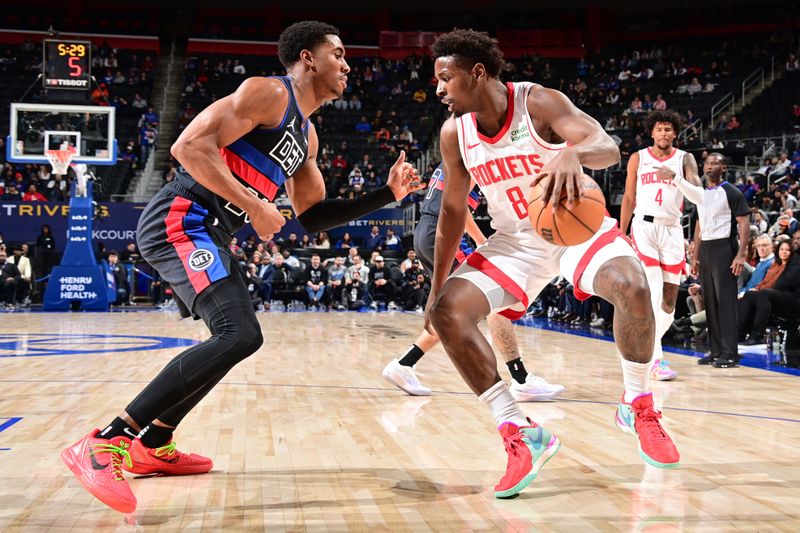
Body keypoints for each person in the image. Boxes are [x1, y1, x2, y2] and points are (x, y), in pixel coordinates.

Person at [61, 20, 422, 514]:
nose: (346, 63)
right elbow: (187, 148)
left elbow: (313, 216)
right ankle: (107, 441)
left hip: (211, 231)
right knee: (238, 333)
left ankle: (154, 443)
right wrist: (253, 202)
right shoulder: (269, 93)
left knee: (234, 337)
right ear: (308, 58)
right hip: (181, 218)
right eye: (336, 53)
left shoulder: (308, 137)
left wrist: (388, 195)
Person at [426, 29, 677, 499]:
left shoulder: (537, 103)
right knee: (447, 314)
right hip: (517, 240)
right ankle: (521, 432)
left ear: (477, 73)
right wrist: (437, 284)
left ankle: (638, 402)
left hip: (576, 227)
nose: (438, 89)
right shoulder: (453, 133)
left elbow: (606, 146)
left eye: (446, 78)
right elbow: (453, 211)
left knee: (633, 286)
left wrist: (571, 152)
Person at [382, 164, 565, 401]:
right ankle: (520, 380)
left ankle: (405, 365)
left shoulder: (451, 157)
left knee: (452, 311)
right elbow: (458, 208)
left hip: (426, 231)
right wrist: (482, 241)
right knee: (494, 295)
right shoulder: (470, 156)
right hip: (443, 232)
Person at [620, 110, 703, 382]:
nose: (664, 133)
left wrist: (676, 178)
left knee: (668, 303)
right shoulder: (638, 158)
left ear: (675, 133)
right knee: (654, 291)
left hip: (672, 229)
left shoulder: (685, 159)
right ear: (652, 132)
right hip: (644, 227)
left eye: (668, 129)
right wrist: (621, 233)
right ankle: (657, 360)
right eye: (659, 129)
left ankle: (645, 345)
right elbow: (629, 197)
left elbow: (699, 196)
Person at [690, 153, 750, 367]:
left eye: (714, 163)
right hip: (706, 249)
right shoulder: (700, 194)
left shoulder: (731, 192)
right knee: (711, 304)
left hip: (725, 248)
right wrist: (695, 257)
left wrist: (740, 255)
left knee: (725, 303)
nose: (709, 167)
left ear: (723, 167)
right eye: (707, 163)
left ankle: (730, 353)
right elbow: (698, 226)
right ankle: (715, 351)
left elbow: (744, 223)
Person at [737, 239, 792, 345]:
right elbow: (765, 281)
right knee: (748, 295)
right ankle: (739, 334)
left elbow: (776, 283)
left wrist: (759, 289)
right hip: (768, 294)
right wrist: (756, 289)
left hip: (781, 297)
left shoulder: (791, 266)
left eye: (787, 250)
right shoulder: (775, 265)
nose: (784, 252)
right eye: (782, 249)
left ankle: (757, 335)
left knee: (763, 294)